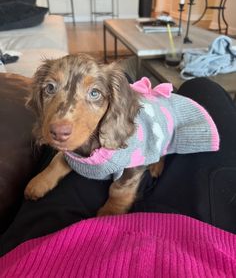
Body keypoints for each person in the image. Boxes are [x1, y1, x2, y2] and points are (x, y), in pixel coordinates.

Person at [0, 77, 236, 259]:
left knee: (117, 90)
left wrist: (117, 201)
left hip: (40, 246)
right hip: (208, 242)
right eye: (51, 88)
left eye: (93, 93)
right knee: (202, 86)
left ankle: (128, 95)